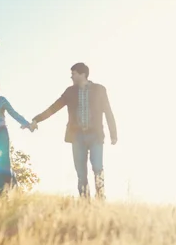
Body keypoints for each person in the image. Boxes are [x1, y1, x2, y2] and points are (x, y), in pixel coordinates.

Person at [30, 63, 117, 199]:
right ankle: (84, 200)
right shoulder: (69, 92)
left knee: (98, 167)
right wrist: (37, 119)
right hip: (77, 136)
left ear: (82, 74)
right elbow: (54, 107)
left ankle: (100, 198)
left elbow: (108, 110)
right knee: (81, 172)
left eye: (73, 73)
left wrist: (113, 134)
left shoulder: (99, 89)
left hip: (95, 135)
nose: (71, 76)